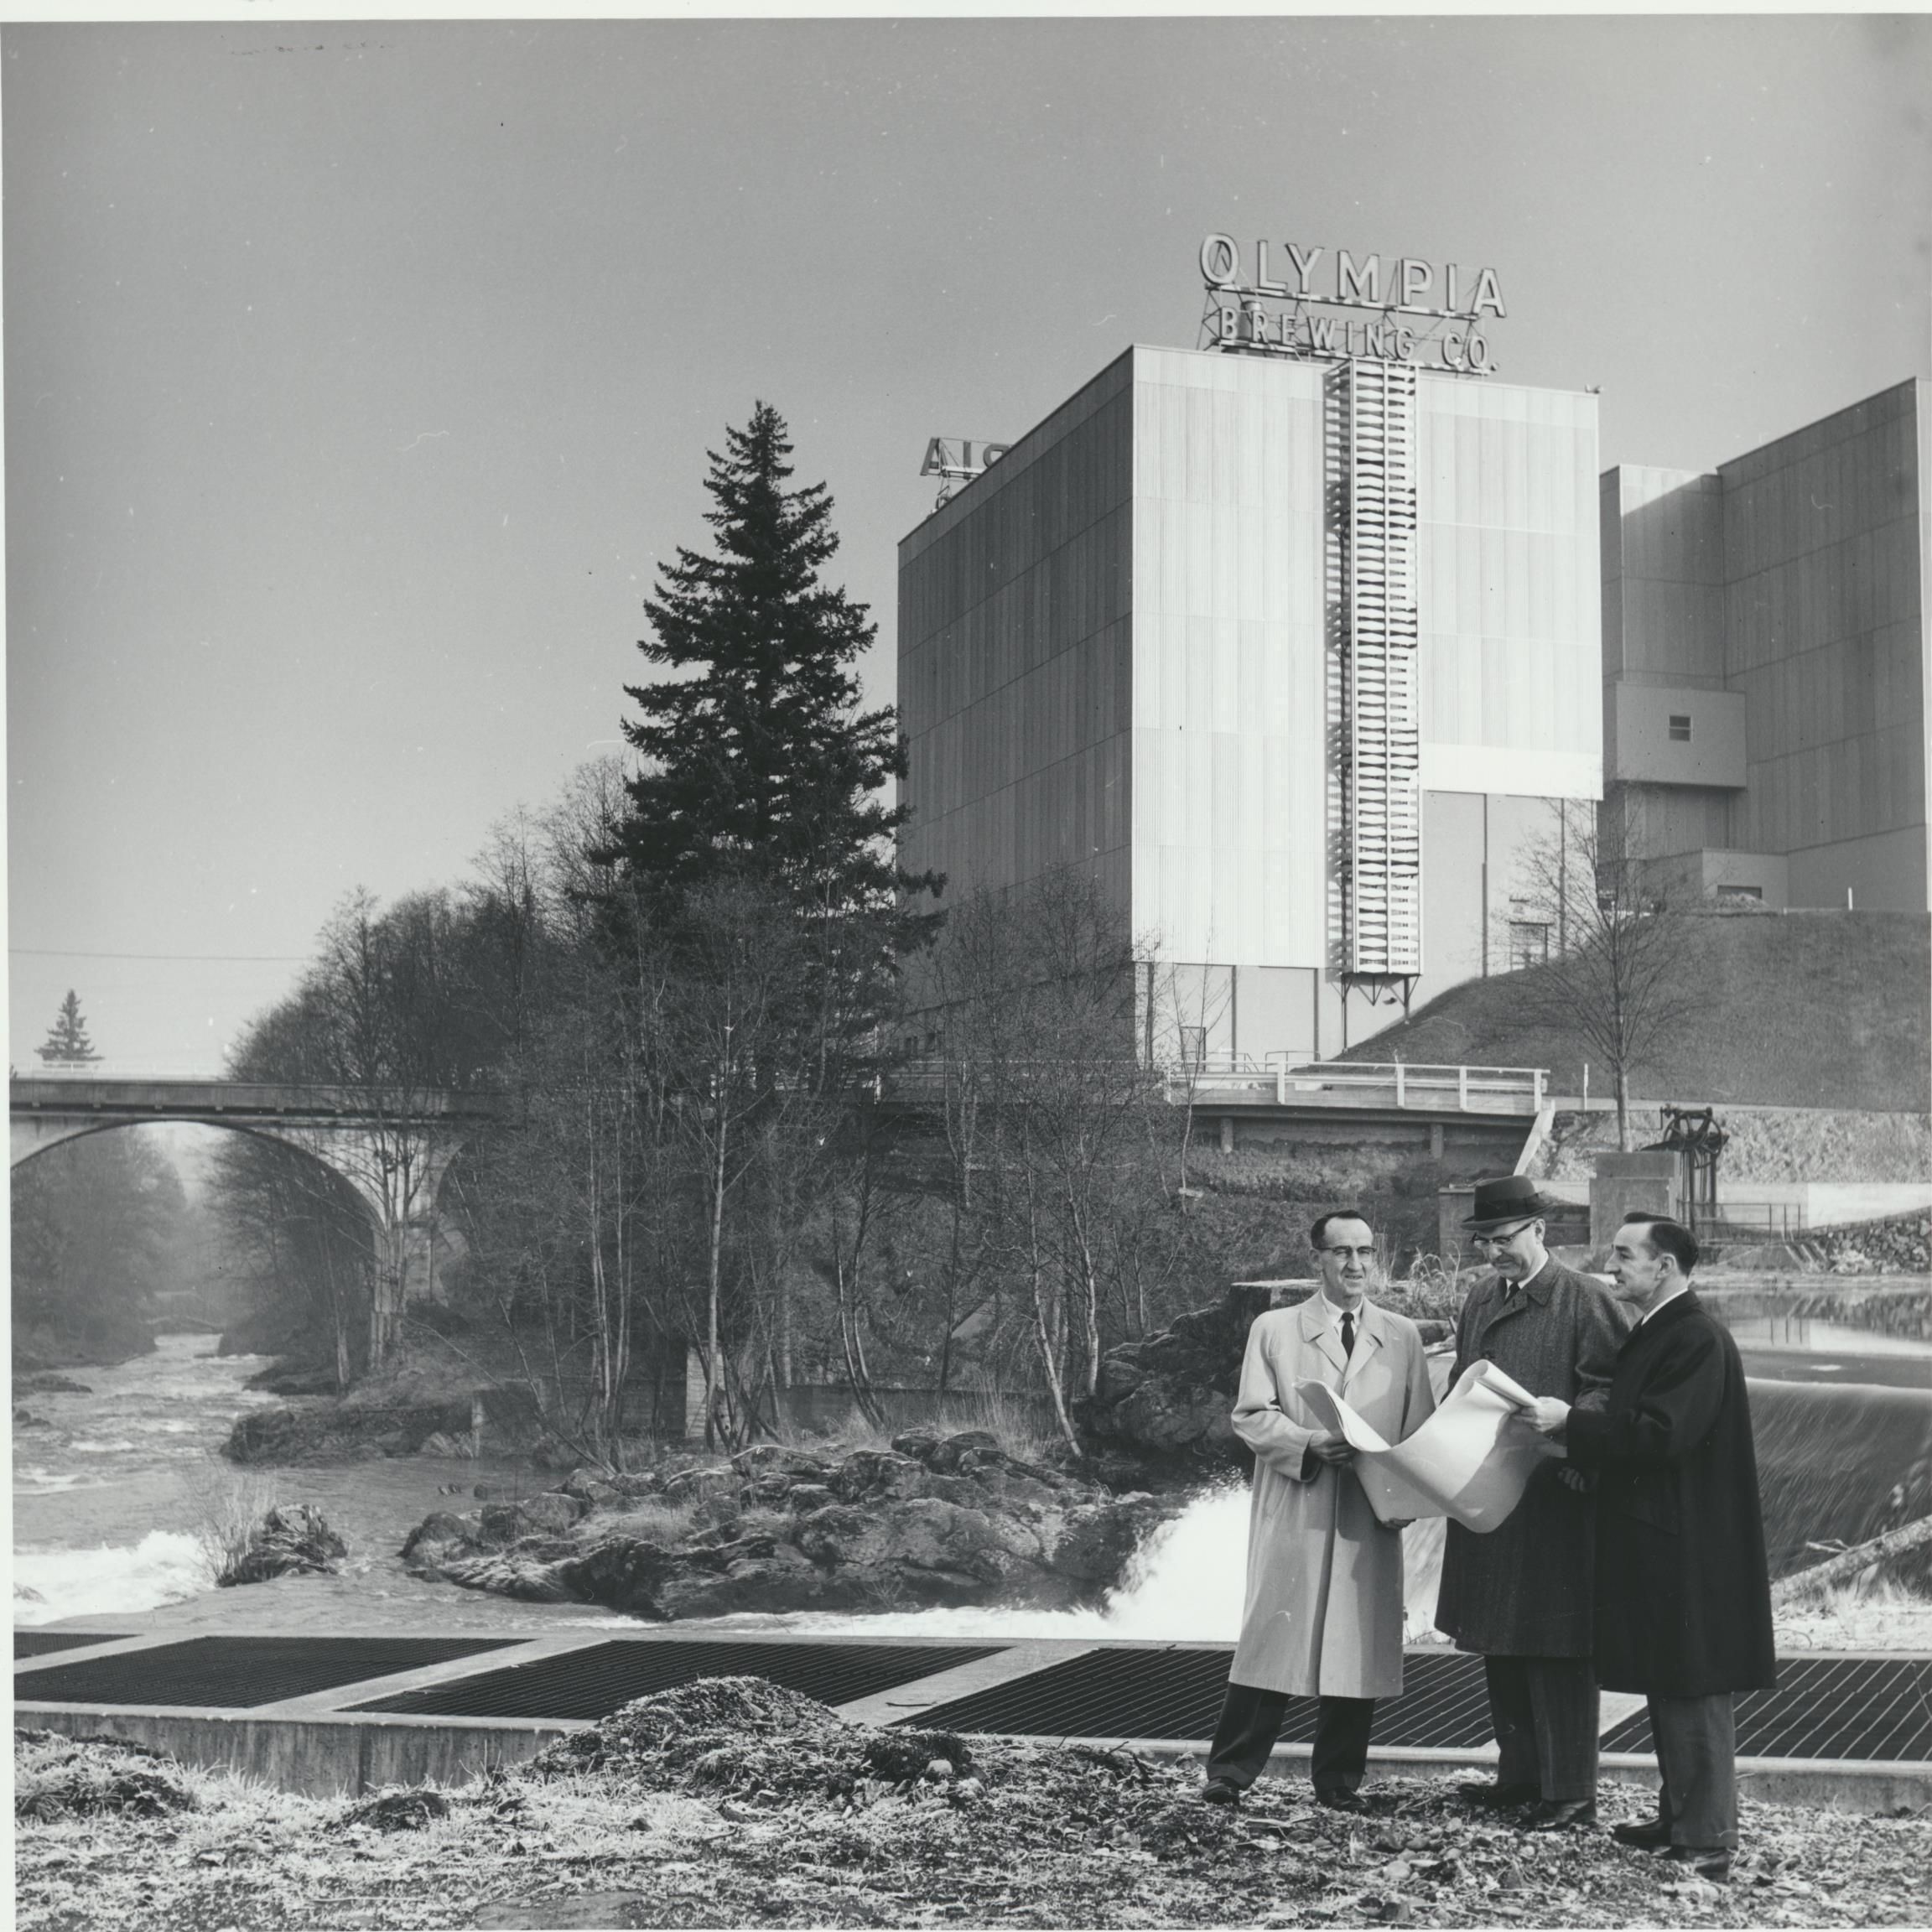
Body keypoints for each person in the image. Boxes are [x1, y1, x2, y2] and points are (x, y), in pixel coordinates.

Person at [1519, 1215, 1775, 1885]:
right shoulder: (1667, 1330)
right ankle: (1680, 1820)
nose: (1611, 1264)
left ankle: (1708, 1837)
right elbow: (1648, 1432)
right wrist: (1586, 1454)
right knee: (1673, 1677)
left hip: (1688, 1543)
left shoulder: (1692, 1336)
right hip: (1669, 1535)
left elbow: (1660, 1434)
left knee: (1694, 1683)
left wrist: (1570, 1423)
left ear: (1664, 1267)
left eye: (1625, 1254)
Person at [1201, 1209, 1436, 1811]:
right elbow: (1251, 1415)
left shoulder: (1402, 1336)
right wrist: (1308, 1443)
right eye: (1341, 1252)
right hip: (1297, 1504)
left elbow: (1419, 1433)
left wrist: (1405, 1499)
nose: (1356, 1264)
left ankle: (1338, 1782)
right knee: (1271, 1636)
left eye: (1365, 1251)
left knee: (1356, 1645)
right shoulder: (1275, 1329)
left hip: (1368, 1511)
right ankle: (1229, 1773)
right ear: (1318, 1259)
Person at [1434, 1172, 1628, 1830]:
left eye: (1505, 1239)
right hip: (1490, 1495)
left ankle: (1570, 1792)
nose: (1494, 1253)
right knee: (1502, 1641)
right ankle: (1519, 1779)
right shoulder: (1481, 1298)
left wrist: (1573, 1435)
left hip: (1553, 1499)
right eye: (1484, 1241)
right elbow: (1461, 1384)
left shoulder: (1584, 1298)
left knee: (1558, 1647)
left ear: (1540, 1230)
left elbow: (1612, 1391)